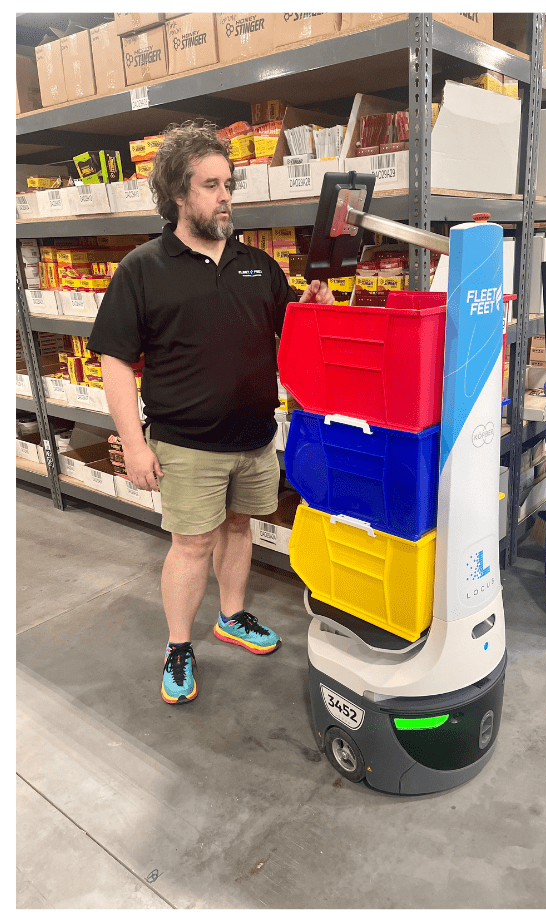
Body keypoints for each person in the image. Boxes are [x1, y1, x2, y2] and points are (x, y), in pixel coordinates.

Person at [87, 121, 334, 705]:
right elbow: (116, 363)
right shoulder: (142, 269)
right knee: (191, 545)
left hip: (254, 436)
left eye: (229, 183)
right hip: (186, 443)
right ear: (178, 194)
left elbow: (288, 334)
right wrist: (134, 442)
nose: (226, 196)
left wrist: (310, 307)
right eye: (211, 185)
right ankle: (178, 644)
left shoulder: (255, 264)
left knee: (239, 527)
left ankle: (232, 615)